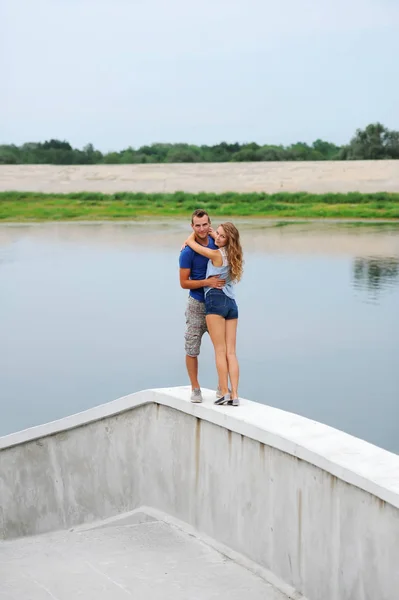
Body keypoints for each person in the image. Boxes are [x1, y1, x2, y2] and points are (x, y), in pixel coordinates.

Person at [183, 222, 243, 406]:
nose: (216, 237)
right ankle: (235, 395)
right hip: (231, 304)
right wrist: (214, 233)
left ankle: (223, 392)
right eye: (216, 233)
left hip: (215, 301)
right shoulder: (235, 255)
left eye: (221, 236)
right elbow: (218, 238)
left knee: (220, 350)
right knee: (231, 352)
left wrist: (191, 236)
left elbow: (191, 243)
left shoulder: (216, 255)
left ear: (228, 240)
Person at [179, 209, 225, 403]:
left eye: (205, 224)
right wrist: (206, 282)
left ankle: (222, 388)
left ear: (210, 224)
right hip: (197, 304)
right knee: (192, 348)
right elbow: (184, 283)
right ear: (192, 227)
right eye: (197, 225)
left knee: (221, 348)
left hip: (216, 303)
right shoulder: (187, 252)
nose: (201, 228)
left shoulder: (217, 242)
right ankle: (195, 388)